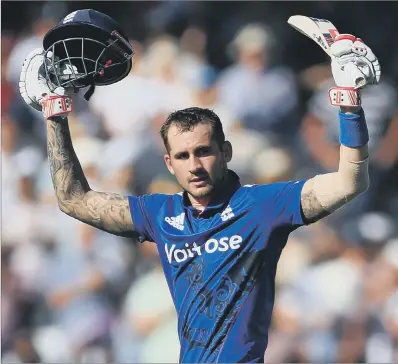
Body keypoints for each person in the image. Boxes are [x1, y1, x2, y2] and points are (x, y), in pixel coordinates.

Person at [19, 30, 380, 362]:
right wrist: (54, 113)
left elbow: (351, 182)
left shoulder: (263, 205)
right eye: (182, 156)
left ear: (226, 152)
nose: (194, 165)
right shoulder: (158, 213)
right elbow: (73, 200)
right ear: (169, 163)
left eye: (203, 152)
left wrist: (349, 106)